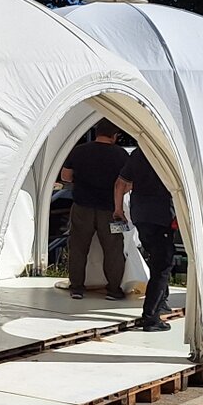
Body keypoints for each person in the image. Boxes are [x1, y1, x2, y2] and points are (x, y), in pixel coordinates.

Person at [58, 123, 129, 300]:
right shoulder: (121, 154)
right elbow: (127, 183)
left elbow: (65, 176)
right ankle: (113, 290)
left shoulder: (79, 151)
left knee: (78, 248)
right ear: (114, 136)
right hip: (112, 210)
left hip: (82, 207)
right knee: (114, 249)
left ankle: (76, 288)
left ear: (97, 133)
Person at [114, 144, 177, 332]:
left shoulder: (139, 153)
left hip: (140, 214)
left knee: (155, 258)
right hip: (162, 215)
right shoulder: (170, 153)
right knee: (163, 265)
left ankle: (161, 302)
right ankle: (151, 316)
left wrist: (118, 209)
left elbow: (120, 184)